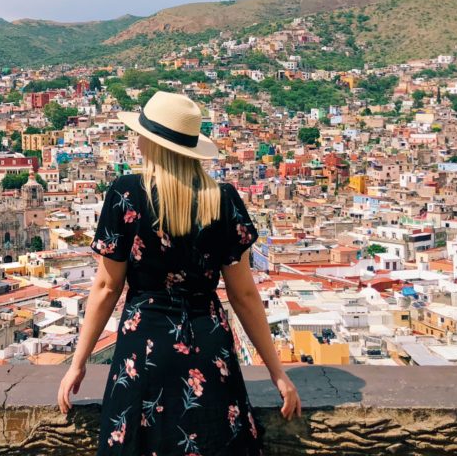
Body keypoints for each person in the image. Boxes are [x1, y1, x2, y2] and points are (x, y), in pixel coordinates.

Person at [58, 91, 301, 455]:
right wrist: (277, 372)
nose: (136, 140)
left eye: (141, 133)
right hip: (208, 350)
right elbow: (244, 296)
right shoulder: (223, 199)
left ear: (153, 143)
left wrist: (78, 364)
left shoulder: (125, 195)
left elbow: (107, 287)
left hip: (142, 353)